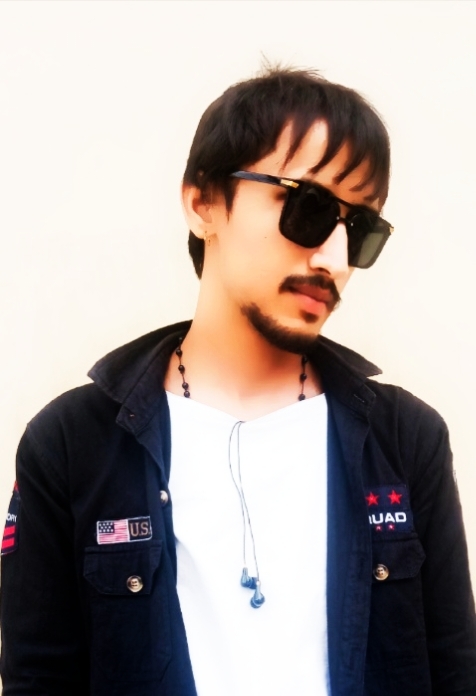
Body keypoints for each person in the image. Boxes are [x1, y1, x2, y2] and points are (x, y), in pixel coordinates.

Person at [1, 66, 475, 696]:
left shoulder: (405, 440)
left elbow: (454, 670)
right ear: (204, 203)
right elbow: (37, 679)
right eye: (308, 208)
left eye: (360, 229)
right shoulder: (71, 445)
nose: (335, 259)